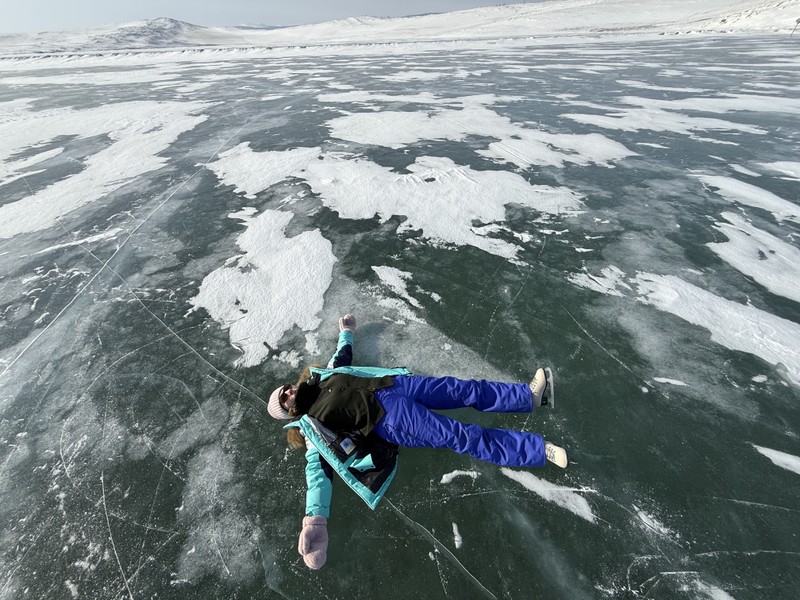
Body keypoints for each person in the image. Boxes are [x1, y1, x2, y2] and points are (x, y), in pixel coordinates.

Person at [267, 314, 568, 569]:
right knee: (461, 435)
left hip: (397, 384)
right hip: (391, 419)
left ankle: (528, 396)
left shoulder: (322, 376)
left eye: (285, 389)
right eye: (284, 399)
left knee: (465, 390)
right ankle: (537, 450)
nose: (288, 392)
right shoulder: (312, 430)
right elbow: (317, 475)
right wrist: (314, 522)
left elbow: (343, 355)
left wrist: (347, 331)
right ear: (288, 412)